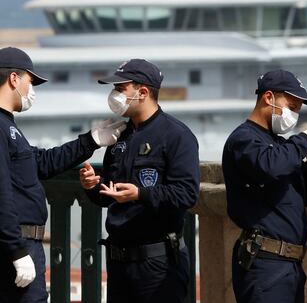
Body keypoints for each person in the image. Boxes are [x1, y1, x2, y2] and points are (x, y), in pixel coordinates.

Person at [0, 46, 126, 302]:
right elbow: (0, 193)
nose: (31, 90)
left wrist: (91, 140)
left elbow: (43, 162)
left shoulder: (8, 126)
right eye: (30, 81)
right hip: (16, 246)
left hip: (24, 244)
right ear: (14, 79)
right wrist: (16, 250)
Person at [79, 59, 200, 303]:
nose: (114, 95)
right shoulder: (120, 136)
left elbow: (187, 194)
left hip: (158, 262)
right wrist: (93, 186)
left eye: (120, 89)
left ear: (143, 92)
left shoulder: (177, 135)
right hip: (118, 263)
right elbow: (111, 193)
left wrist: (140, 194)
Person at [222, 69, 307, 303]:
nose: (295, 113)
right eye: (292, 105)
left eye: (299, 108)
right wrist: (304, 140)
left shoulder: (279, 145)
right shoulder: (245, 139)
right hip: (264, 262)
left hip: (290, 264)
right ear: (268, 98)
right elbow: (269, 166)